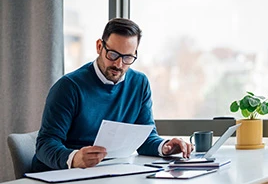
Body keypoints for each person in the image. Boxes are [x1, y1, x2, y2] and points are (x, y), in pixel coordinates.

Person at [32, 18, 193, 172]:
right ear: (99, 46)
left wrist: (166, 146)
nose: (118, 64)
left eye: (127, 57)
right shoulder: (68, 87)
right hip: (60, 176)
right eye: (113, 54)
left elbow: (146, 138)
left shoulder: (140, 84)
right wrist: (74, 158)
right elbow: (45, 144)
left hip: (106, 173)